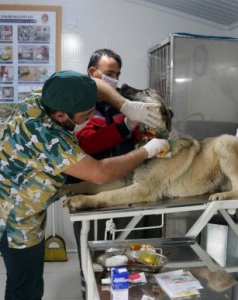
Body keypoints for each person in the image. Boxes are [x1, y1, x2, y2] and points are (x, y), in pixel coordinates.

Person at [0, 70, 169, 300]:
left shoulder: (43, 97)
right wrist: (147, 150)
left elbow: (95, 85)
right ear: (61, 116)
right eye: (85, 115)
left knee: (23, 280)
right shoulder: (47, 137)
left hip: (9, 204)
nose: (89, 118)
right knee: (25, 287)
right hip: (13, 222)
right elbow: (99, 173)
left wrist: (125, 105)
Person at [70, 49, 164, 298]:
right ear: (93, 73)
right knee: (92, 255)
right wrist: (126, 125)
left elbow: (136, 138)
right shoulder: (81, 104)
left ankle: (125, 290)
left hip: (124, 188)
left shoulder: (120, 103)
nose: (115, 79)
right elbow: (86, 142)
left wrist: (146, 131)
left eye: (117, 74)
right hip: (92, 188)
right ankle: (91, 290)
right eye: (109, 73)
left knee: (124, 253)